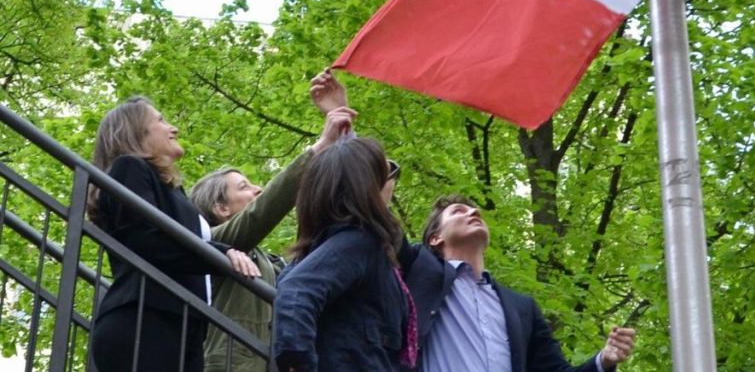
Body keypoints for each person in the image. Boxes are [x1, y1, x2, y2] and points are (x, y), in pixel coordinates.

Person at [87, 97, 260, 372]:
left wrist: (223, 250)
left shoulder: (172, 189)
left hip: (182, 325)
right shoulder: (129, 167)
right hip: (145, 322)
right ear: (136, 132)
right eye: (160, 120)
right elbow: (150, 242)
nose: (173, 128)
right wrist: (222, 254)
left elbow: (178, 242)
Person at [190, 105, 356, 371]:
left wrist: (346, 142)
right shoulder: (208, 246)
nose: (257, 189)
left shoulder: (268, 260)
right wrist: (321, 146)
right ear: (221, 208)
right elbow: (261, 213)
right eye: (244, 186)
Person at [399, 194, 637, 372]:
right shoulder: (415, 270)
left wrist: (603, 360)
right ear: (435, 237)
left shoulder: (522, 308)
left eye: (475, 210)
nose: (474, 212)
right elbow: (376, 219)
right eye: (458, 211)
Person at [272, 137, 416, 371]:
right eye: (388, 172)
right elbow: (296, 292)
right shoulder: (359, 242)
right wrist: (301, 364)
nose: (393, 181)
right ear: (367, 185)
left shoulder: (347, 248)